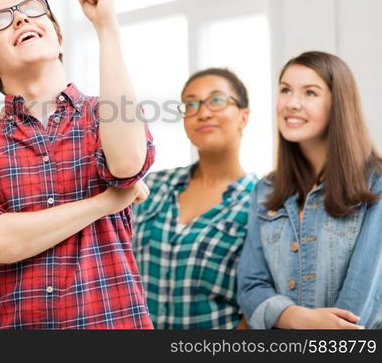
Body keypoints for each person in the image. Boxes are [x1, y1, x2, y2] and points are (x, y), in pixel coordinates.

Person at [0, 0, 155, 329]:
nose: (21, 19)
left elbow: (127, 165)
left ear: (57, 37)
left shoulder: (100, 116)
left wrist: (106, 25)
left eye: (31, 10)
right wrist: (105, 203)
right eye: (2, 20)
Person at [238, 51, 382, 329]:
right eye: (285, 90)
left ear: (338, 103)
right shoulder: (265, 190)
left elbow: (360, 301)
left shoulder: (376, 182)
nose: (292, 103)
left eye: (310, 93)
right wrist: (296, 317)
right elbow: (250, 287)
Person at [133, 68, 258, 329]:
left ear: (243, 116)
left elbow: (258, 302)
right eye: (191, 103)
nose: (203, 112)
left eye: (216, 100)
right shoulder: (152, 186)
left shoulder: (261, 203)